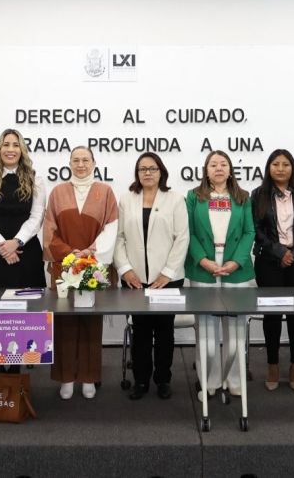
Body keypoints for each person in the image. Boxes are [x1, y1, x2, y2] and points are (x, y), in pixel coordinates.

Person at [42, 146, 118, 400]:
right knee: (65, 321)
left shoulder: (105, 192)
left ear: (94, 163)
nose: (81, 164)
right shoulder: (58, 192)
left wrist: (90, 253)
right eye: (76, 160)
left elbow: (111, 228)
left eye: (85, 160)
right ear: (69, 163)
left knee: (90, 321)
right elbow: (49, 230)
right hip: (64, 266)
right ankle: (65, 377)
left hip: (93, 266)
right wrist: (71, 254)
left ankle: (88, 377)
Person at [114, 152, 189, 400]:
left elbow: (182, 238)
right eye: (142, 169)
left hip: (167, 279)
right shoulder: (126, 199)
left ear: (161, 172)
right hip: (135, 279)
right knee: (141, 332)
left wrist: (167, 273)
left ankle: (163, 379)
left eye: (153, 168)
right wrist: (125, 269)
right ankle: (141, 381)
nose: (147, 173)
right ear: (137, 173)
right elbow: (119, 237)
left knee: (165, 331)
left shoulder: (175, 199)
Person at [0, 129, 46, 373]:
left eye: (15, 144)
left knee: (23, 314)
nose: (10, 149)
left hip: (25, 255)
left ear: (22, 149)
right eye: (6, 144)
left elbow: (37, 217)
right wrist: (2, 246)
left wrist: (17, 242)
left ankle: (17, 375)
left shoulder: (36, 178)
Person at [185, 150, 256, 399]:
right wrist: (203, 261)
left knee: (236, 332)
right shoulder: (193, 197)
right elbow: (189, 232)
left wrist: (236, 262)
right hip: (202, 268)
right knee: (206, 331)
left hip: (235, 270)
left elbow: (249, 232)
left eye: (223, 164)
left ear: (230, 169)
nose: (218, 168)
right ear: (206, 170)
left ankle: (234, 380)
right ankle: (209, 381)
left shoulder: (243, 197)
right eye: (213, 164)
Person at [250, 149, 294, 391]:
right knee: (272, 315)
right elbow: (255, 230)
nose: (280, 168)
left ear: (292, 168)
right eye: (275, 164)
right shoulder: (258, 194)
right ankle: (272, 364)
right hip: (269, 261)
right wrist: (279, 252)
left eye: (285, 164)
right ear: (268, 168)